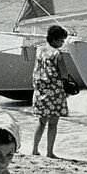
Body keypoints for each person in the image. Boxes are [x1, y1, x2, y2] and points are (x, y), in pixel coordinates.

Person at [32, 24, 69, 158]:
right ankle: (49, 152)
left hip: (40, 90)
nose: (62, 43)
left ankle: (35, 149)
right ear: (54, 40)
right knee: (53, 123)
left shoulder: (39, 50)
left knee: (41, 122)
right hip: (54, 92)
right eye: (61, 40)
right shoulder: (57, 53)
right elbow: (64, 73)